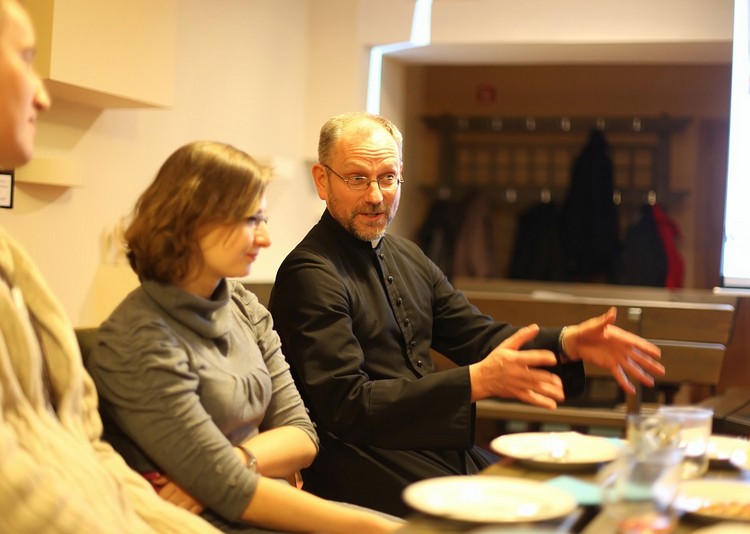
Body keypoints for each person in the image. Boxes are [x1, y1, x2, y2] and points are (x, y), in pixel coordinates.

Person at [268, 111, 666, 516]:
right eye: (357, 179)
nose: (375, 196)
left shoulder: (406, 254)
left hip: (429, 445)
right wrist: (475, 381)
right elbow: (347, 405)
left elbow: (478, 335)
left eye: (387, 178)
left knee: (573, 502)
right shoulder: (310, 273)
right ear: (322, 180)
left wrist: (566, 343)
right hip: (361, 466)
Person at [85, 140, 403, 534]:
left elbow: (303, 436)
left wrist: (234, 462)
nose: (265, 238)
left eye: (262, 219)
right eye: (251, 220)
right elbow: (234, 493)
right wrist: (377, 529)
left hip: (265, 506)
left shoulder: (242, 304)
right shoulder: (137, 339)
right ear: (192, 221)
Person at [0, 1, 219, 531]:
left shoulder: (13, 258)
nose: (43, 95)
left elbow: (88, 449)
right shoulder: (140, 332)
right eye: (25, 59)